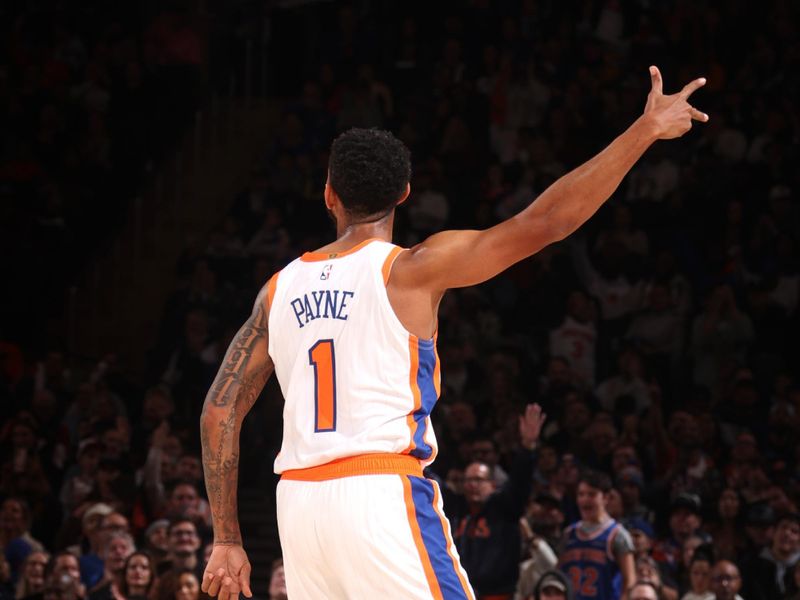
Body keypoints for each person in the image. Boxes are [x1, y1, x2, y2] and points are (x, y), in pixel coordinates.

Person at [200, 66, 709, 600]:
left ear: (328, 194)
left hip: (300, 510)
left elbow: (218, 411)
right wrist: (644, 130)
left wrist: (227, 538)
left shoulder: (277, 290)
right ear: (404, 193)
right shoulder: (410, 269)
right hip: (379, 494)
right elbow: (545, 222)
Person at [448, 404, 546, 598]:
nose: (472, 485)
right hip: (459, 594)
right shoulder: (455, 509)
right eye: (468, 480)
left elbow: (520, 481)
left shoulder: (505, 508)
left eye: (478, 480)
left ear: (492, 485)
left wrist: (527, 446)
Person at [558, 470, 636, 599]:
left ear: (605, 498)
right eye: (581, 494)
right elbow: (558, 574)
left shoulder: (617, 535)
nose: (585, 499)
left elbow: (629, 581)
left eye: (591, 494)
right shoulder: (568, 534)